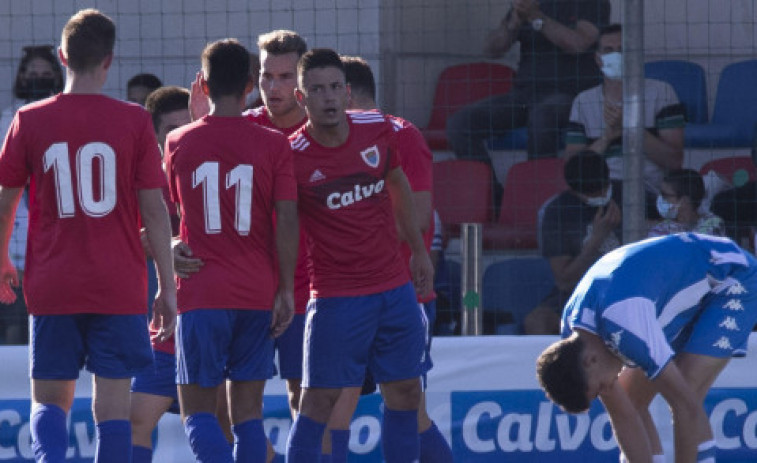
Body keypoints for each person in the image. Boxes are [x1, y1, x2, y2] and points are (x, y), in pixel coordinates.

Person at [0, 9, 176, 462]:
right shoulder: (135, 121)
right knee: (113, 406)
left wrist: (2, 260)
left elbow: (6, 201)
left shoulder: (30, 119)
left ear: (62, 56)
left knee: (49, 401)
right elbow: (156, 213)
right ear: (109, 61)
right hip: (118, 284)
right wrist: (169, 289)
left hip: (53, 282)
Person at [284, 48, 434, 463]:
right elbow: (282, 228)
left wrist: (418, 252)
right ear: (302, 99)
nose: (328, 97)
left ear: (347, 92)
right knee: (319, 401)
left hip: (394, 289)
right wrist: (280, 289)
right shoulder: (291, 156)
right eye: (316, 90)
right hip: (336, 298)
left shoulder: (377, 128)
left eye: (335, 88)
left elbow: (399, 185)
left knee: (406, 392)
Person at [165, 38, 298, 462]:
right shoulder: (274, 144)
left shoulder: (177, 141)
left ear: (202, 84)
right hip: (256, 291)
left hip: (201, 290)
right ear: (249, 86)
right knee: (247, 417)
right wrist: (285, 288)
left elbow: (171, 213)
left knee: (198, 416)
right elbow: (287, 221)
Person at [536, 232, 757, 462]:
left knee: (687, 389)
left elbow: (686, 406)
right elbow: (623, 416)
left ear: (589, 361)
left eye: (600, 386)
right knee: (632, 400)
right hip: (669, 289)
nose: (606, 390)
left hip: (734, 277)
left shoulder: (626, 324)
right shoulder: (575, 338)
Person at [446, 0, 609, 210]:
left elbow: (578, 44)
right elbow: (491, 49)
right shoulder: (530, 4)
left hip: (570, 93)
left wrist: (536, 17)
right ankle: (495, 202)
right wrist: (513, 23)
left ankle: (540, 205)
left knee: (542, 118)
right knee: (460, 124)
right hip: (524, 94)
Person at [565, 23, 686, 216]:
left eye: (622, 50)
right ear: (598, 59)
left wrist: (630, 129)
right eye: (608, 50)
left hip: (645, 191)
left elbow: (674, 161)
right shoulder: (583, 101)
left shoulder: (662, 92)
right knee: (554, 210)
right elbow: (573, 170)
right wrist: (606, 138)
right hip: (594, 192)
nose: (616, 56)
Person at [129, 85, 190, 462]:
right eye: (172, 129)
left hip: (209, 324)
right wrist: (143, 241)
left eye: (189, 125)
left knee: (230, 425)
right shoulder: (138, 184)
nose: (181, 136)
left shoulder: (209, 171)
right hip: (164, 331)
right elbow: (118, 244)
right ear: (155, 137)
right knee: (134, 422)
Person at [525, 150, 621, 334]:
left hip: (628, 287)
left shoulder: (634, 195)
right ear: (574, 191)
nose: (599, 195)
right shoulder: (557, 211)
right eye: (591, 194)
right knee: (537, 321)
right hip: (578, 291)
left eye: (602, 189)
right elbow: (564, 281)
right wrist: (596, 239)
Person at [648, 168, 725, 238]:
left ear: (684, 200)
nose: (661, 199)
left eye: (666, 195)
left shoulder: (712, 223)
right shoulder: (660, 229)